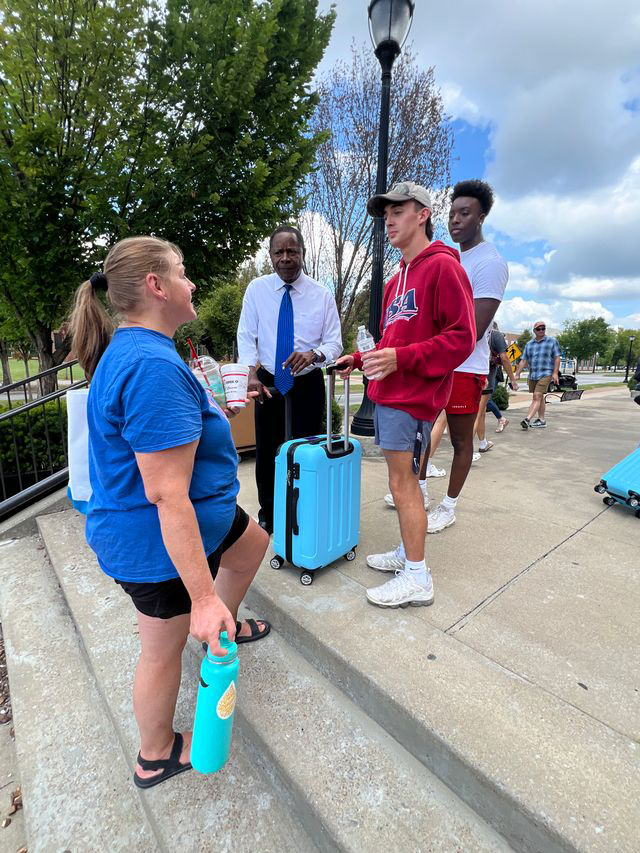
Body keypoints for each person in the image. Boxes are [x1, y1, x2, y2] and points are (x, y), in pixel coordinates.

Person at [69, 236, 270, 790]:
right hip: (154, 542)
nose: (193, 282)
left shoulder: (148, 352)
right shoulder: (150, 367)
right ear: (156, 287)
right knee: (160, 651)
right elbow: (166, 495)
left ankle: (217, 631)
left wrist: (216, 414)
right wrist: (202, 598)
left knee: (252, 545)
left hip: (204, 517)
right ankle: (155, 753)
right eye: (183, 273)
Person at [336, 182, 475, 608]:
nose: (389, 220)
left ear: (423, 214)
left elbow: (462, 338)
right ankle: (408, 553)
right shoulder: (399, 279)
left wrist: (402, 359)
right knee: (403, 484)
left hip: (413, 397)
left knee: (404, 484)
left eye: (399, 210)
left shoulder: (443, 267)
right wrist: (361, 359)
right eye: (386, 213)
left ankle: (417, 576)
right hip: (391, 394)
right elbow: (392, 344)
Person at [237, 225, 342, 534]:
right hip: (268, 382)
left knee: (304, 450)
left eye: (291, 251)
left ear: (302, 254)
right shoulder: (257, 290)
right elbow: (245, 336)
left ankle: (303, 512)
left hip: (307, 383)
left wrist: (315, 354)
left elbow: (334, 344)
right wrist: (250, 372)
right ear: (270, 256)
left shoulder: (321, 295)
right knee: (268, 451)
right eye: (279, 252)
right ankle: (269, 513)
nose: (285, 258)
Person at [427, 180, 509, 534]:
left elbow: (473, 330)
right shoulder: (449, 256)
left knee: (461, 442)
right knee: (420, 435)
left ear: (482, 217)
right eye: (452, 213)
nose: (455, 220)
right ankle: (415, 491)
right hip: (435, 364)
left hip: (464, 367)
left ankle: (448, 506)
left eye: (465, 213)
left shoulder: (490, 262)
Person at [474, 322, 519, 450]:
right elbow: (505, 358)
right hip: (484, 377)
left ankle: (483, 443)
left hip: (464, 375)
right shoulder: (496, 335)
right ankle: (466, 450)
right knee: (478, 413)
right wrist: (513, 380)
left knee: (474, 413)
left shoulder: (471, 329)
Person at [514, 322, 561, 429]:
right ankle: (542, 420)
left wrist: (555, 373)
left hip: (546, 373)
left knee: (537, 396)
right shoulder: (529, 344)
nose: (541, 330)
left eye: (543, 328)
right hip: (533, 374)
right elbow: (523, 360)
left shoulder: (552, 341)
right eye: (538, 329)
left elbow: (557, 357)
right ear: (534, 331)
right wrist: (517, 374)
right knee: (539, 397)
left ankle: (527, 419)